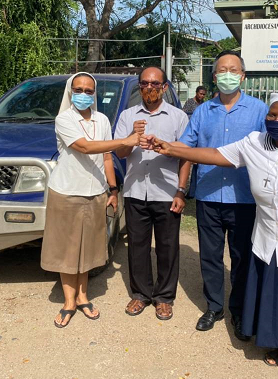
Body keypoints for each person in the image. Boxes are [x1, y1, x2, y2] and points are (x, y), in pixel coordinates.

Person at [145, 92, 278, 378]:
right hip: (272, 234)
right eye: (273, 115)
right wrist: (171, 149)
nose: (277, 120)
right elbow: (215, 154)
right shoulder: (254, 142)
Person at [178, 50, 268, 340]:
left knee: (242, 258)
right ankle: (215, 307)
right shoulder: (202, 111)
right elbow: (186, 150)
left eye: (234, 70)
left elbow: (271, 152)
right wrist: (180, 187)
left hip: (245, 198)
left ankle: (240, 311)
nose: (227, 75)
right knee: (211, 257)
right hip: (208, 196)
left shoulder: (259, 110)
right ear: (214, 76)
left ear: (242, 76)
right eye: (221, 70)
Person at [41, 72, 140, 328]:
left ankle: (83, 296)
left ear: (94, 94)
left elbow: (107, 157)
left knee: (88, 247)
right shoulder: (64, 119)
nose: (83, 94)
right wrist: (125, 140)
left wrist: (113, 190)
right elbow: (84, 147)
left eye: (88, 90)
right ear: (70, 91)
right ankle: (68, 301)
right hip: (67, 191)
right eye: (78, 89)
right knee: (67, 248)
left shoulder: (102, 119)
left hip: (96, 191)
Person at [114, 66, 190, 320]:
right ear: (139, 86)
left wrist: (181, 191)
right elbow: (121, 153)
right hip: (136, 191)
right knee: (137, 246)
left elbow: (186, 157)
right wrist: (132, 137)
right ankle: (141, 294)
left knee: (167, 247)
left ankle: (164, 297)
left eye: (155, 84)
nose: (149, 88)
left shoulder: (178, 117)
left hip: (166, 192)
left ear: (164, 88)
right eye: (144, 84)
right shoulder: (127, 116)